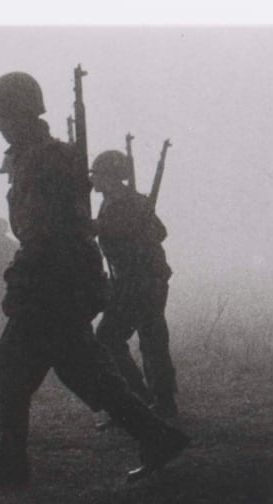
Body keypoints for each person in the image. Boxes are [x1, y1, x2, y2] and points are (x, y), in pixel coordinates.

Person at [0, 72, 187, 485]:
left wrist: (21, 279)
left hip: (52, 282)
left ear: (21, 114)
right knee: (83, 372)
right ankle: (157, 436)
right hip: (65, 281)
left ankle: (12, 463)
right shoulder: (46, 156)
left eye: (2, 117)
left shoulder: (41, 159)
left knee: (10, 367)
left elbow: (46, 232)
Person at [91, 149, 178, 419]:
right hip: (127, 281)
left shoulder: (132, 202)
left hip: (145, 279)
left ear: (111, 177)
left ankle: (159, 402)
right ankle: (141, 399)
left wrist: (114, 229)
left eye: (98, 174)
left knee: (149, 340)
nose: (93, 179)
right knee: (110, 339)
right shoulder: (111, 202)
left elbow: (159, 232)